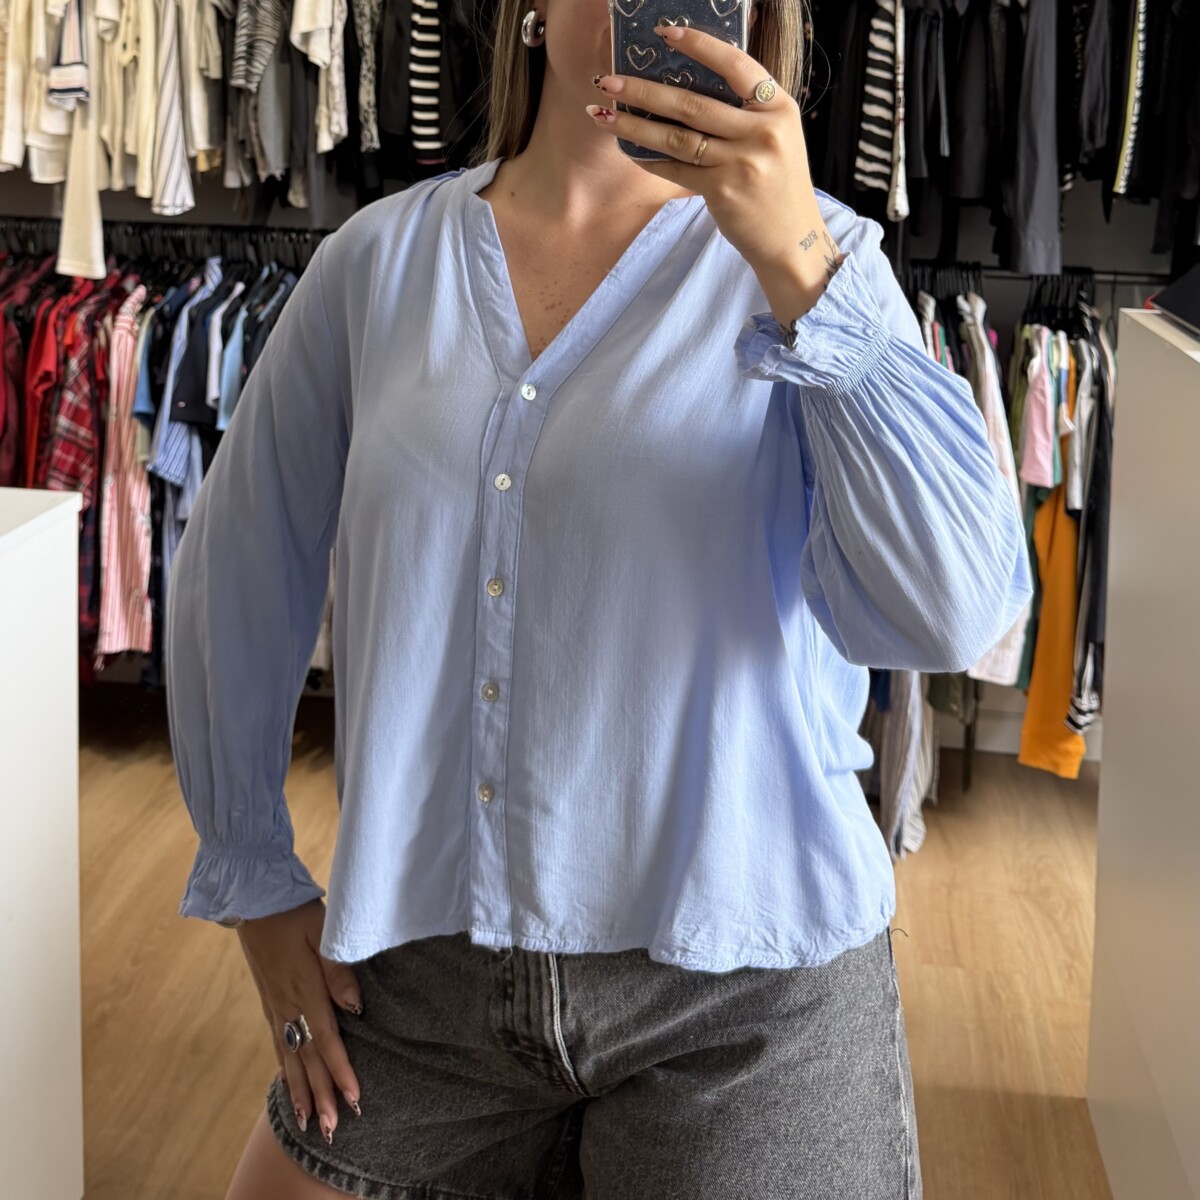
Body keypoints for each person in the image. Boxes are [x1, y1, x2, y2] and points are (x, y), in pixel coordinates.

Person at [165, 0, 1032, 1195]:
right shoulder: (377, 261)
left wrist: (802, 273)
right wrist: (254, 879)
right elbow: (238, 563)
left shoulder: (826, 261)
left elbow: (954, 610)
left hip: (746, 986)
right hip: (422, 977)